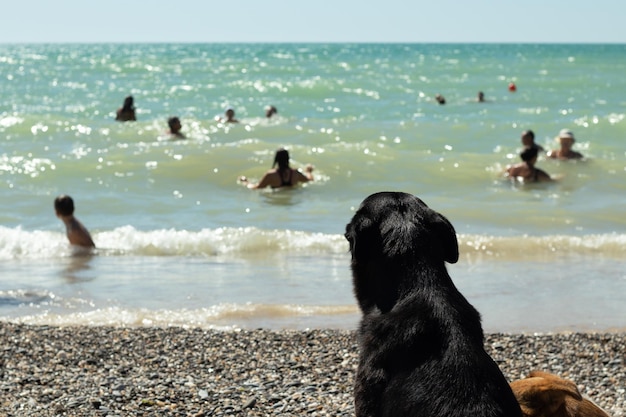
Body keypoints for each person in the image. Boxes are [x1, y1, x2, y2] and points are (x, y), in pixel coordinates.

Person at [239, 148, 314, 189]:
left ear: (276, 160)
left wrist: (245, 182)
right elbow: (309, 180)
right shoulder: (295, 173)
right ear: (288, 159)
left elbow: (256, 187)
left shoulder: (271, 175)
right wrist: (308, 171)